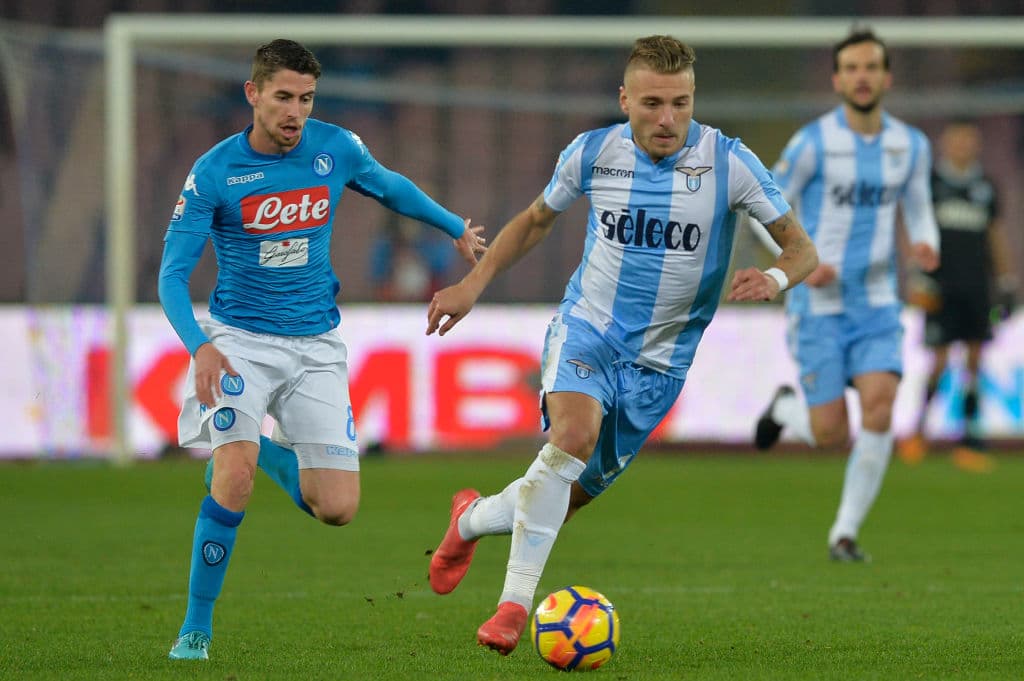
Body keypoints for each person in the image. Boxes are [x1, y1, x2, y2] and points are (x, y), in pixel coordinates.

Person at [423, 34, 818, 656]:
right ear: (625, 99)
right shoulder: (592, 152)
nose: (667, 119)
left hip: (661, 365)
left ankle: (469, 519)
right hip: (589, 331)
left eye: (681, 104)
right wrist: (472, 285)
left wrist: (773, 278)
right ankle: (513, 608)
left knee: (562, 496)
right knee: (571, 438)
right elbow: (535, 220)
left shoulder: (730, 163)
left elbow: (801, 249)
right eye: (653, 103)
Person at [157, 39, 485, 661]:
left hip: (316, 346)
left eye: (306, 99)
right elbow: (172, 276)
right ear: (253, 94)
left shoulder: (336, 148)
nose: (296, 112)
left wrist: (453, 227)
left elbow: (389, 187)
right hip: (239, 343)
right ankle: (195, 630)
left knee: (336, 508)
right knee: (232, 478)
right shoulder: (214, 172)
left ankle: (262, 455)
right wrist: (199, 346)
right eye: (283, 97)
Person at [752, 29, 940, 562]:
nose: (862, 77)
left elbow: (919, 205)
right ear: (837, 80)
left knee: (880, 407)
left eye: (871, 67)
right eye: (852, 68)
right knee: (831, 432)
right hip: (818, 306)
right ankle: (787, 409)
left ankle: (844, 534)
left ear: (886, 77)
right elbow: (763, 207)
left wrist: (925, 242)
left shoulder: (911, 145)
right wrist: (797, 264)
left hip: (877, 302)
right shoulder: (812, 143)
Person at [898, 120, 1016, 473]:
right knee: (938, 360)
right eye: (957, 140)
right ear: (946, 144)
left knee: (975, 362)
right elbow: (913, 229)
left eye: (968, 140)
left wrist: (1006, 280)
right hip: (941, 287)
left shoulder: (986, 187)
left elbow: (995, 234)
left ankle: (969, 440)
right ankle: (918, 432)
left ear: (976, 145)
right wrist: (917, 275)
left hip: (978, 287)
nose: (963, 146)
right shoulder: (931, 184)